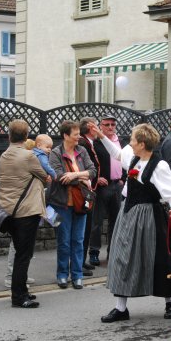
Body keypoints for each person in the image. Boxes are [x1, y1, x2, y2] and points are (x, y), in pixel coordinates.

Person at [91, 122, 171, 322]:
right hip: (128, 213)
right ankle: (121, 308)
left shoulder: (159, 165)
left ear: (141, 143)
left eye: (132, 140)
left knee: (158, 259)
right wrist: (101, 136)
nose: (129, 143)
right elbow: (116, 154)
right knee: (123, 257)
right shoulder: (133, 158)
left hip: (150, 216)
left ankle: (170, 301)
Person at [0, 120, 48, 308]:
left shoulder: (4, 155)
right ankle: (18, 297)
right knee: (23, 255)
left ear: (9, 136)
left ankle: (22, 291)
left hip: (10, 210)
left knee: (20, 252)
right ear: (27, 137)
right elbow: (45, 176)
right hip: (27, 211)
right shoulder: (29, 156)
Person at [47, 120, 96, 290]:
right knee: (64, 241)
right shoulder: (55, 153)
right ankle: (62, 275)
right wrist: (82, 178)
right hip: (62, 204)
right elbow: (59, 177)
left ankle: (77, 275)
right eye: (75, 135)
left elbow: (93, 171)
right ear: (65, 135)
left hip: (81, 204)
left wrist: (76, 175)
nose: (79, 137)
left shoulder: (82, 151)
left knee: (78, 240)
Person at [88, 114, 124, 266]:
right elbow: (90, 164)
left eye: (112, 125)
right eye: (107, 124)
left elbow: (127, 160)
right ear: (100, 126)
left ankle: (112, 252)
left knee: (115, 222)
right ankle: (94, 253)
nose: (110, 127)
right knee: (96, 222)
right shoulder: (96, 143)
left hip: (117, 185)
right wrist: (97, 179)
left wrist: (124, 178)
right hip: (103, 187)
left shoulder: (120, 141)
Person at [78, 117, 101, 276]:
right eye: (97, 126)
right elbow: (84, 167)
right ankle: (78, 262)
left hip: (90, 189)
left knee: (86, 228)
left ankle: (81, 260)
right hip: (84, 191)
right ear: (90, 127)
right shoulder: (83, 143)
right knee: (83, 229)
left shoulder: (89, 143)